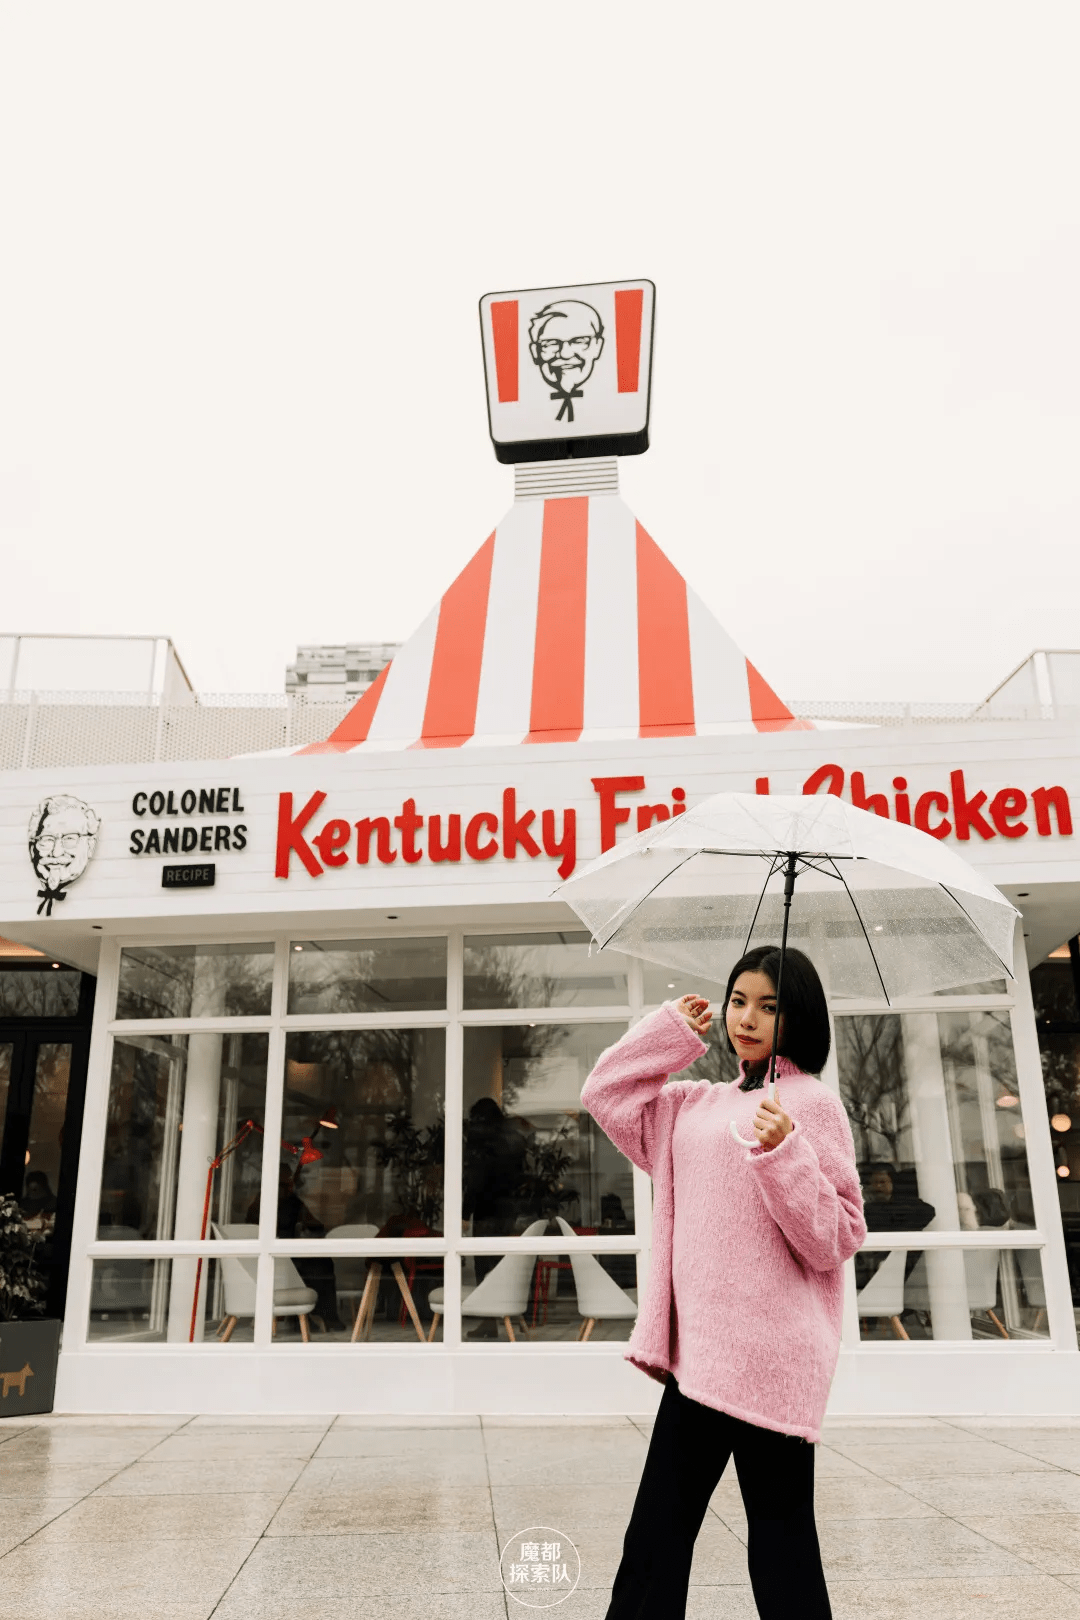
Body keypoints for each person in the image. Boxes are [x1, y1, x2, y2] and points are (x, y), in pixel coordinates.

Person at [581, 945, 865, 1620]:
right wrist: (669, 1032)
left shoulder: (811, 1105)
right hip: (699, 1363)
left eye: (769, 1005)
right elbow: (605, 1094)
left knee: (781, 1549)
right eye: (739, 1000)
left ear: (798, 1017)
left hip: (773, 1364)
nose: (747, 1017)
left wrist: (785, 1153)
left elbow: (836, 1240)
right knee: (653, 1543)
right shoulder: (692, 1105)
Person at [461, 1096, 528, 1339]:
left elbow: (474, 1179)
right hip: (507, 1210)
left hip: (486, 1212)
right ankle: (514, 1314)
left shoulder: (481, 1141)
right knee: (503, 1265)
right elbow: (521, 1175)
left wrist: (464, 1213)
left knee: (484, 1267)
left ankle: (489, 1320)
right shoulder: (512, 1140)